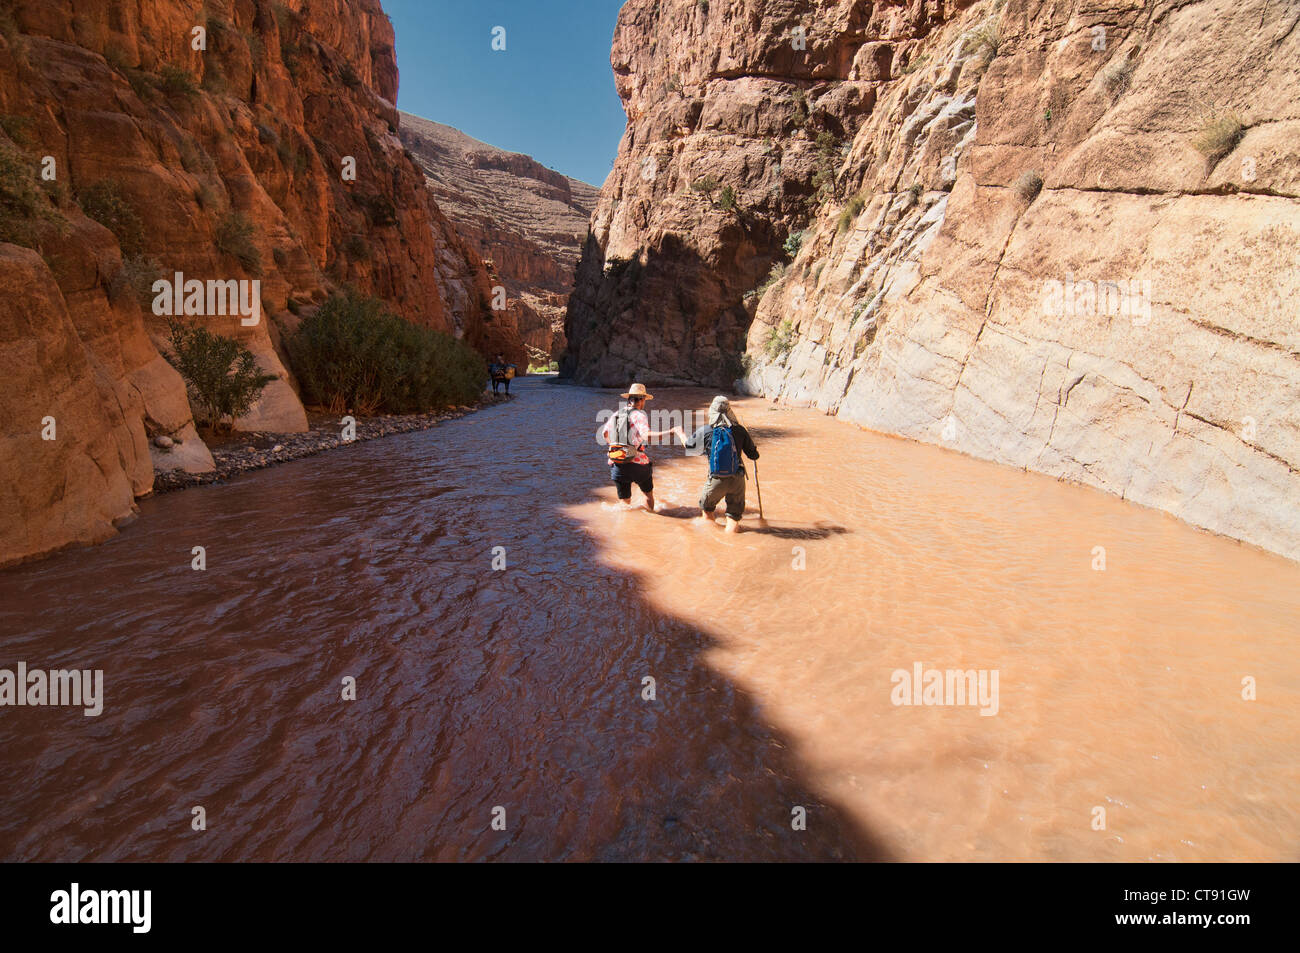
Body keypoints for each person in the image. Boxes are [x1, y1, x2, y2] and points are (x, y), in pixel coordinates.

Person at [682, 395, 759, 533]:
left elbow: (690, 448)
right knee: (733, 518)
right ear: (729, 411)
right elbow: (754, 455)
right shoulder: (740, 430)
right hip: (738, 479)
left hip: (716, 479)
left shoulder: (706, 430)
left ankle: (713, 543)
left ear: (712, 412)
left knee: (707, 512)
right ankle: (732, 544)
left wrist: (680, 433)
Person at [602, 383, 677, 512]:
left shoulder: (616, 414)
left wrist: (615, 447)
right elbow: (647, 436)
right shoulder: (639, 415)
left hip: (617, 463)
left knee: (625, 504)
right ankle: (651, 519)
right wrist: (670, 432)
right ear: (642, 399)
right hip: (637, 465)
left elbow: (605, 434)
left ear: (629, 398)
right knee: (647, 495)